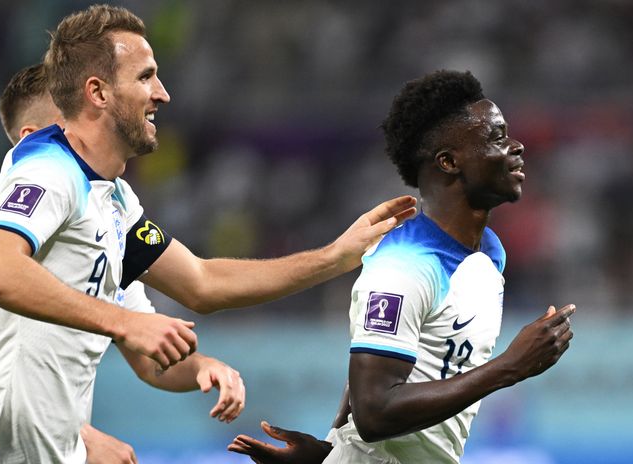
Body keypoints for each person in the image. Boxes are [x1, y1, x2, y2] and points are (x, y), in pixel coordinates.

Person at [0, 5, 416, 463]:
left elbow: (202, 282)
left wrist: (335, 256)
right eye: (145, 77)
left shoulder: (114, 201)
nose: (162, 93)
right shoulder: (50, 168)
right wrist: (123, 322)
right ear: (98, 93)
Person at [228, 70, 575, 464]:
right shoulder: (401, 268)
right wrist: (510, 367)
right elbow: (374, 412)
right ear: (448, 162)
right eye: (497, 137)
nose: (516, 146)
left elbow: (390, 370)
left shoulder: (490, 253)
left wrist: (327, 453)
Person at [0, 62, 245, 464]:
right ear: (33, 139)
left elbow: (150, 361)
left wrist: (204, 366)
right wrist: (83, 440)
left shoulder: (103, 225)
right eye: (70, 121)